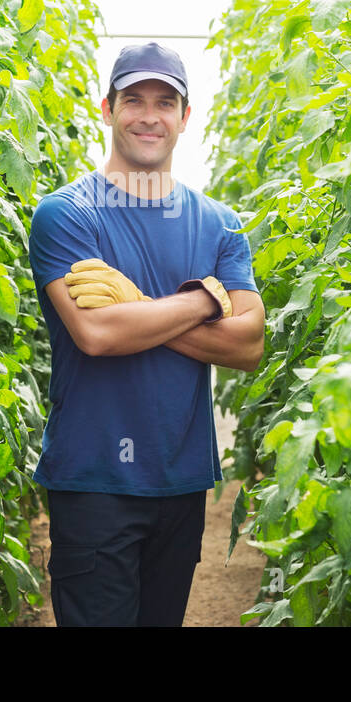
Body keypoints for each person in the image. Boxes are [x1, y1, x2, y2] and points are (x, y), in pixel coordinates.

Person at [25, 40, 266, 626]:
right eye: (134, 100)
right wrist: (207, 301)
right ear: (107, 109)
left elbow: (249, 344)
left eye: (166, 102)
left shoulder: (220, 222)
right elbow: (98, 335)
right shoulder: (66, 214)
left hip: (180, 480)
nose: (149, 115)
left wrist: (134, 304)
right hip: (94, 479)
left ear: (186, 118)